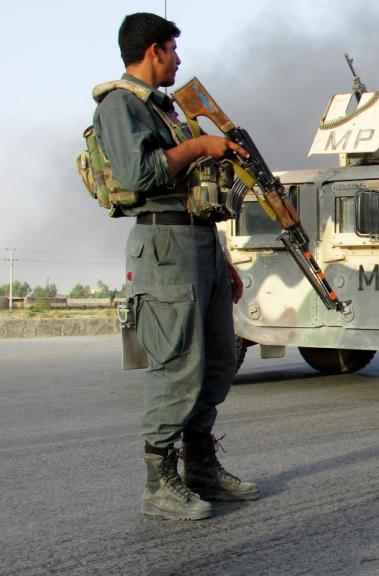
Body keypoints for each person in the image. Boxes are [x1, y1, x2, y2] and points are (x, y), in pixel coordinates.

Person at [93, 12, 258, 521]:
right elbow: (139, 173)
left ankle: (201, 468)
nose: (179, 59)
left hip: (198, 242)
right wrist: (200, 145)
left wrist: (224, 259)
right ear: (153, 51)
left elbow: (197, 191)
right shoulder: (121, 107)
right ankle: (159, 482)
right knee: (177, 364)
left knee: (216, 360)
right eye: (172, 49)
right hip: (163, 245)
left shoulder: (164, 109)